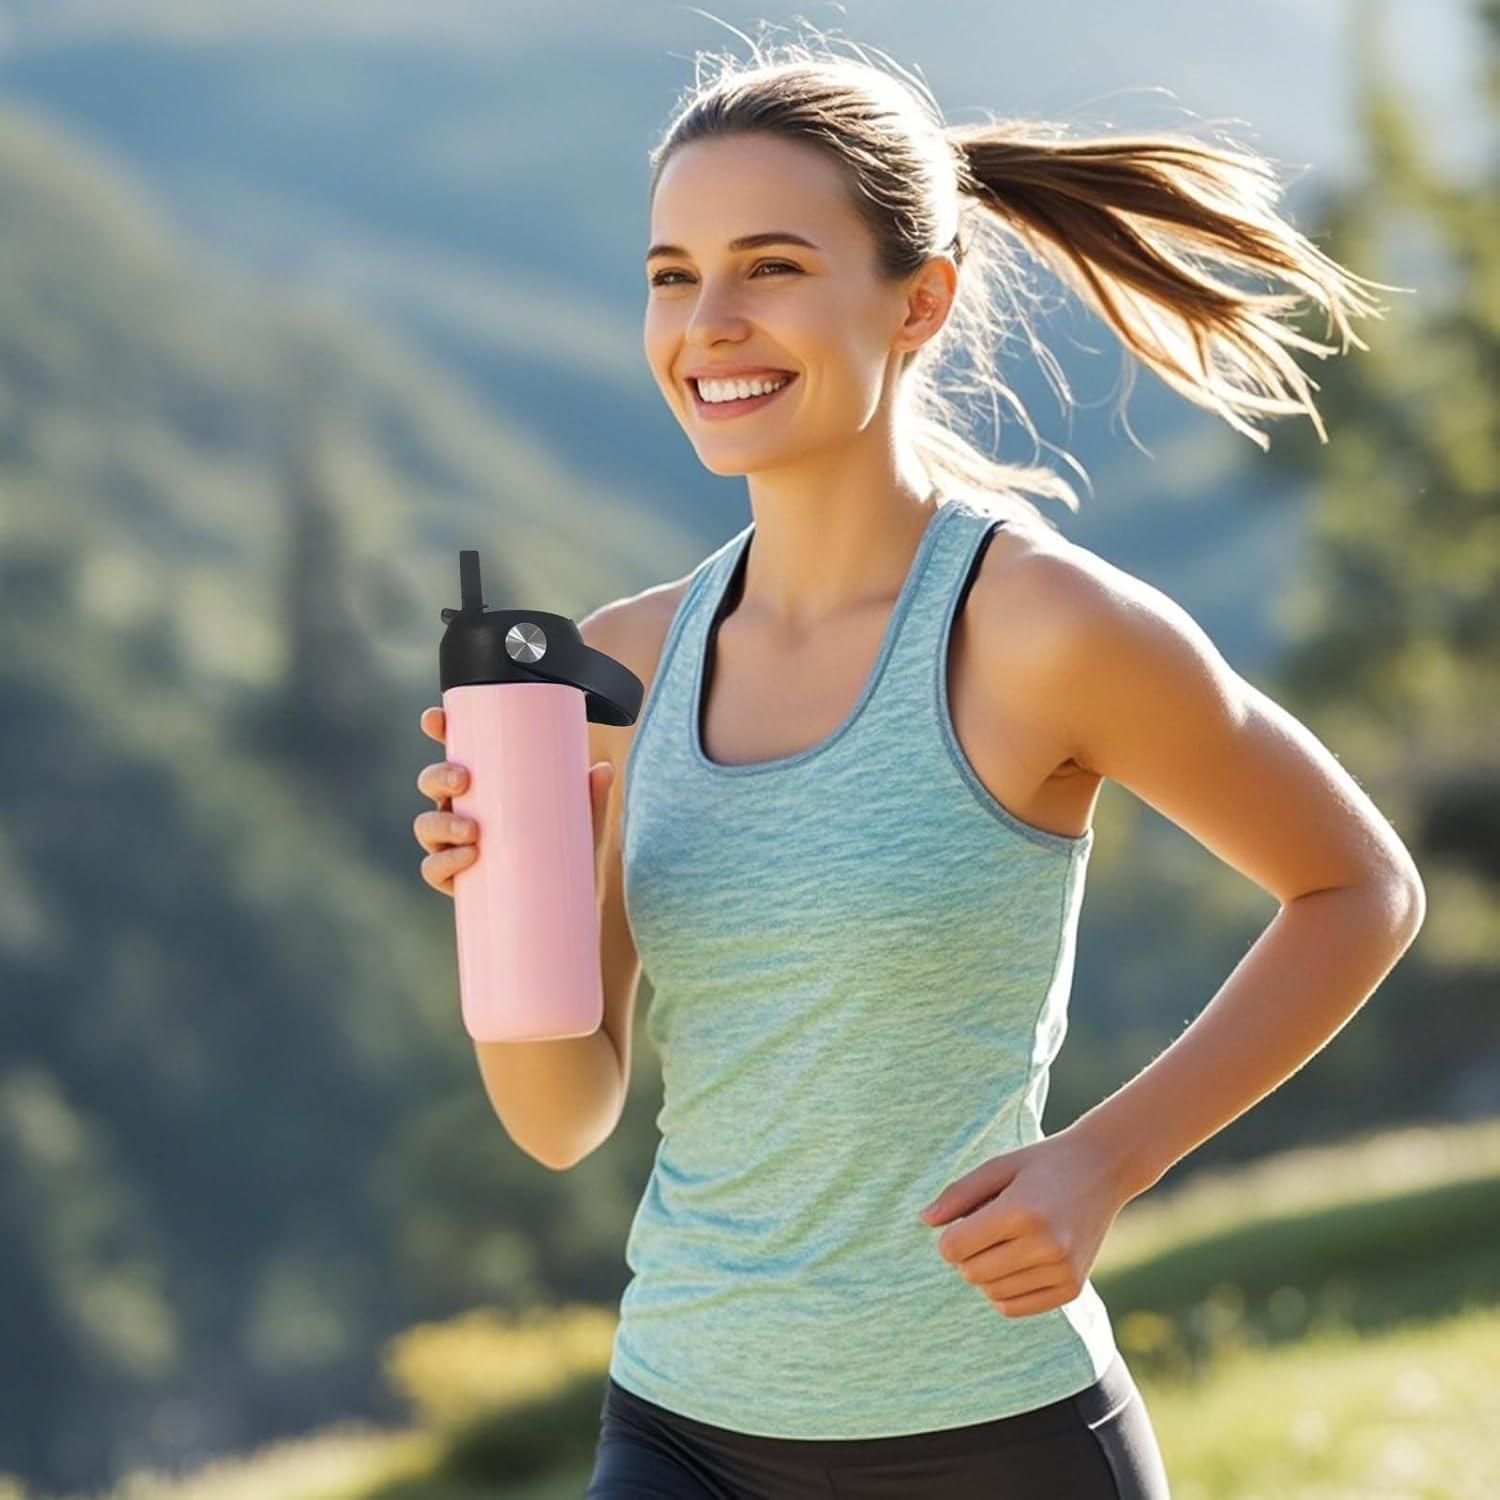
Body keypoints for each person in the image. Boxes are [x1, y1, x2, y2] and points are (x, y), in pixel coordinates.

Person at [415, 29, 1427, 1500]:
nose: (709, 323)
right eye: (671, 274)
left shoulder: (1043, 628)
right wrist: (506, 894)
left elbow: (1359, 887)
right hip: (684, 1426)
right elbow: (562, 1116)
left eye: (770, 266)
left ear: (920, 301)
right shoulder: (620, 664)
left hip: (994, 1438)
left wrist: (1104, 1162)